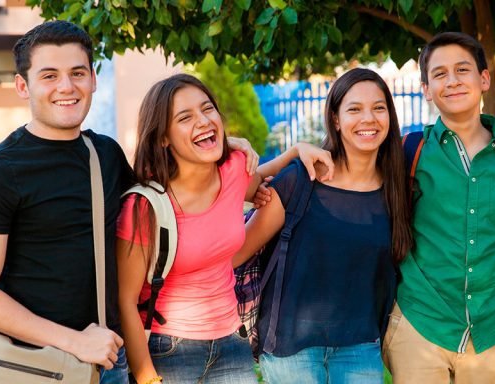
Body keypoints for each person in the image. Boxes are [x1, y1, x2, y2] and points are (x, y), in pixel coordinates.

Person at [0, 21, 260, 384]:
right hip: (28, 364)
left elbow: (175, 198)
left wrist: (228, 151)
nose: (66, 87)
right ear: (23, 86)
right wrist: (75, 341)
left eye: (77, 73)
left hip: (109, 361)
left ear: (93, 80)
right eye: (49, 75)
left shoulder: (104, 154)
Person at [116, 73, 334, 384]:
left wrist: (296, 151)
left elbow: (261, 177)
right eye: (185, 117)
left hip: (233, 342)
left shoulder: (232, 171)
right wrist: (147, 377)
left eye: (207, 109)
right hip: (169, 348)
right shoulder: (144, 207)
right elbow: (125, 300)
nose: (203, 120)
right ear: (163, 137)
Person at [382, 32, 495, 384]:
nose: (452, 81)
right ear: (426, 88)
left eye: (462, 70)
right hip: (419, 323)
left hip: (489, 332)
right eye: (439, 74)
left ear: (484, 79)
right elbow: (342, 172)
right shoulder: (406, 152)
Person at [234, 68, 412, 383]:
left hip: (361, 348)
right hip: (291, 350)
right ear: (335, 120)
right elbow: (236, 251)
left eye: (378, 108)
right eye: (354, 109)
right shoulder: (301, 181)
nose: (368, 118)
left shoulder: (398, 191)